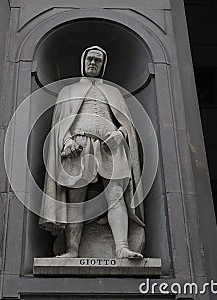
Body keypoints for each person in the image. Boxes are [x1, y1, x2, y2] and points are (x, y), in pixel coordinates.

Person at [39, 46, 145, 259]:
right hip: (79, 146)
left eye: (98, 60)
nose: (93, 63)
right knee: (76, 199)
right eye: (90, 59)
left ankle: (121, 247)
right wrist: (67, 140)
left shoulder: (114, 92)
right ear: (83, 61)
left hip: (111, 147)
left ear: (103, 65)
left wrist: (121, 133)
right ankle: (72, 250)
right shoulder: (67, 91)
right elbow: (60, 123)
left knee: (116, 196)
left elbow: (127, 123)